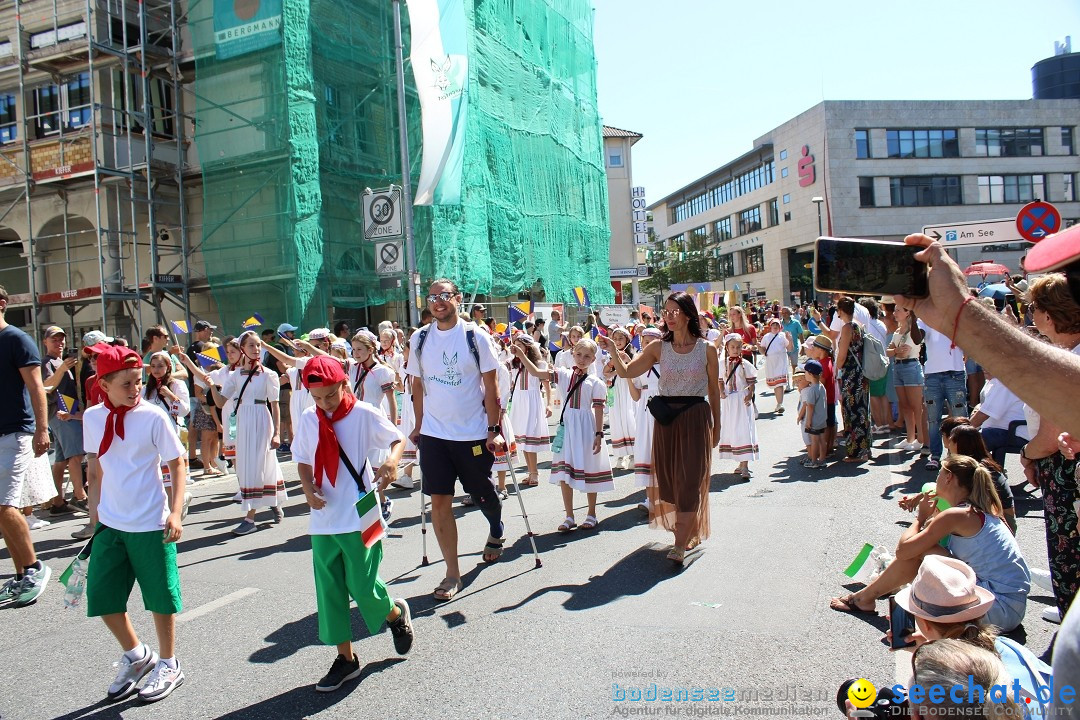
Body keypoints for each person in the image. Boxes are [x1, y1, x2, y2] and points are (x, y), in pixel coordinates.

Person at [291, 356, 414, 692]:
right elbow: (302, 458)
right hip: (324, 517)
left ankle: (394, 615)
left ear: (344, 384)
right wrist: (306, 489)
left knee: (362, 585)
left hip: (359, 511)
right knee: (329, 589)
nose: (325, 404)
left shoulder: (362, 413)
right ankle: (346, 659)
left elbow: (397, 438)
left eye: (330, 395)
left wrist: (391, 462)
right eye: (317, 398)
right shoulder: (309, 418)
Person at [82, 345, 188, 703]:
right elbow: (95, 469)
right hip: (110, 524)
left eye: (139, 381)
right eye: (126, 383)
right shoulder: (93, 417)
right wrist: (94, 517)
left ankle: (170, 662)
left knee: (160, 597)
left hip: (150, 522)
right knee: (102, 597)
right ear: (104, 384)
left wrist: (174, 512)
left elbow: (177, 464)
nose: (135, 389)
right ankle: (138, 655)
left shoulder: (153, 417)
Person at [831, 455, 1030, 632]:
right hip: (1011, 607)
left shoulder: (957, 515)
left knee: (921, 551)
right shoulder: (978, 510)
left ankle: (865, 599)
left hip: (995, 609)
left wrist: (920, 518)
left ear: (949, 477)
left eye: (939, 474)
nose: (936, 479)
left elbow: (903, 551)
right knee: (928, 550)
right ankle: (866, 598)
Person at [601, 292, 722, 564]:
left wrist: (717, 427)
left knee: (690, 480)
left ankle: (679, 544)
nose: (668, 316)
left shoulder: (707, 349)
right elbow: (627, 373)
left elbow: (714, 391)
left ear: (689, 314)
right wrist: (613, 352)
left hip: (695, 416)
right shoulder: (658, 347)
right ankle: (687, 529)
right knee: (671, 482)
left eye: (674, 311)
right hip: (667, 419)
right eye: (665, 311)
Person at [405, 280, 506, 601]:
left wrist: (494, 428)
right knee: (439, 500)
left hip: (474, 433)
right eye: (432, 297)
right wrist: (419, 426)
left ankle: (495, 526)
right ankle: (452, 573)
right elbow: (417, 387)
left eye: (444, 296)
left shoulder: (476, 338)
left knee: (482, 496)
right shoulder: (419, 339)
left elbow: (492, 388)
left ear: (457, 299)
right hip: (435, 435)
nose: (438, 302)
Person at [1016, 272, 1080, 623]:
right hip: (1063, 463)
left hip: (1066, 470)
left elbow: (1052, 431)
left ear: (1051, 315)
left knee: (1066, 548)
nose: (1032, 315)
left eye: (1036, 308)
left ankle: (1072, 619)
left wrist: (1027, 455)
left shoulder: (1066, 364)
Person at [513, 338, 613, 532]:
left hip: (586, 427)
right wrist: (522, 355)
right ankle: (569, 515)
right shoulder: (563, 374)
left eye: (587, 356)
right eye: (579, 354)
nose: (582, 359)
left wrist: (599, 434)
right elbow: (536, 372)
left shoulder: (596, 383)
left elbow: (599, 409)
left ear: (593, 359)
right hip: (567, 426)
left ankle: (591, 513)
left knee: (588, 467)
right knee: (565, 472)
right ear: (572, 354)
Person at [0, 285, 53, 607]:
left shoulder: (16, 340)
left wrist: (41, 431)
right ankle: (21, 575)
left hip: (16, 433)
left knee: (5, 506)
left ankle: (33, 568)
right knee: (2, 510)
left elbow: (36, 388)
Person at [218, 330, 286, 535]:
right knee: (250, 465)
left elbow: (275, 405)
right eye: (251, 346)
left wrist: (276, 433)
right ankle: (273, 501)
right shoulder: (235, 375)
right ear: (242, 349)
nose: (256, 349)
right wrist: (211, 385)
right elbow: (222, 401)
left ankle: (250, 518)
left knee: (257, 464)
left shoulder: (269, 374)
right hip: (243, 421)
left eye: (258, 345)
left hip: (261, 419)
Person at [40, 325, 89, 515]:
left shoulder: (61, 362)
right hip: (61, 413)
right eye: (54, 339)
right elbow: (46, 386)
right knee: (76, 455)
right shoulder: (46, 363)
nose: (59, 343)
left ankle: (58, 501)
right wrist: (62, 369)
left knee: (61, 460)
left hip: (67, 412)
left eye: (61, 339)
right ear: (45, 342)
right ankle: (80, 496)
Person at [507, 334, 551, 486]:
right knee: (523, 440)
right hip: (519, 400)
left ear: (528, 347)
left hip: (532, 401)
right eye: (515, 344)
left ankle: (534, 473)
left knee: (530, 438)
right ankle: (531, 472)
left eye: (520, 345)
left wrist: (549, 403)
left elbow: (546, 384)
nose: (517, 347)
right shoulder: (513, 364)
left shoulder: (539, 364)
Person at [627, 327, 662, 513]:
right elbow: (636, 396)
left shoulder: (667, 363)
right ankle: (650, 499)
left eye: (650, 342)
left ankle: (665, 497)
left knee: (663, 451)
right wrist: (628, 378)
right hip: (645, 410)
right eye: (644, 342)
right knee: (646, 450)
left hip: (663, 410)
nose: (646, 346)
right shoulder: (639, 365)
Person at [835, 297, 872, 463]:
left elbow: (842, 355)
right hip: (861, 372)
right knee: (863, 411)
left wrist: (836, 367)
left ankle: (856, 452)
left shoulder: (847, 327)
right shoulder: (860, 326)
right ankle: (865, 449)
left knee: (851, 412)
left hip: (851, 373)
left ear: (841, 311)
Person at [970, 370, 1028, 467]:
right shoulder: (993, 381)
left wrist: (960, 430)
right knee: (969, 439)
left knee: (968, 441)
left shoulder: (1003, 382)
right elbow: (983, 406)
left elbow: (983, 415)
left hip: (1015, 433)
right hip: (1001, 430)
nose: (985, 368)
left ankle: (994, 476)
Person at [604, 327, 636, 468]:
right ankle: (620, 455)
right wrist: (613, 363)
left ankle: (634, 454)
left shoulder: (633, 355)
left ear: (627, 339)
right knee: (616, 419)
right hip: (614, 389)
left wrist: (625, 360)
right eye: (615, 339)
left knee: (629, 418)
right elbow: (605, 373)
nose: (617, 341)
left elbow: (633, 370)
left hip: (627, 388)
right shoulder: (609, 355)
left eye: (620, 338)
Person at [806, 335, 839, 457]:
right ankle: (828, 449)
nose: (812, 349)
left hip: (824, 401)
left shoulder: (823, 364)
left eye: (814, 347)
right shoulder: (828, 361)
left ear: (821, 350)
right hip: (830, 399)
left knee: (824, 427)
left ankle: (823, 452)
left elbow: (821, 383)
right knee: (830, 424)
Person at [798, 359, 828, 469]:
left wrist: (808, 421)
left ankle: (814, 461)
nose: (804, 374)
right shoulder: (821, 387)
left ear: (810, 374)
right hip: (822, 419)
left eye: (805, 372)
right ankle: (822, 459)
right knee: (821, 440)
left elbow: (810, 407)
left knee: (814, 441)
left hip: (814, 420)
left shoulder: (811, 390)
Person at [758, 318, 790, 413]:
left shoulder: (783, 336)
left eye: (777, 325)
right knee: (776, 384)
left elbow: (790, 348)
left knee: (780, 384)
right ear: (770, 326)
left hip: (781, 361)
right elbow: (763, 351)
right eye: (773, 325)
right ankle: (779, 403)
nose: (775, 326)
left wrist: (790, 340)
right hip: (771, 363)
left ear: (780, 327)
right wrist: (759, 347)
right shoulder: (766, 337)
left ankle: (780, 404)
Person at [780, 306, 804, 390]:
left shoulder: (796, 323)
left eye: (786, 312)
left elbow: (800, 334)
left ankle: (794, 381)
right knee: (785, 366)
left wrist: (803, 347)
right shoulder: (780, 324)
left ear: (790, 313)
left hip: (794, 348)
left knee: (794, 366)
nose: (784, 314)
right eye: (783, 313)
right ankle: (787, 384)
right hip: (783, 349)